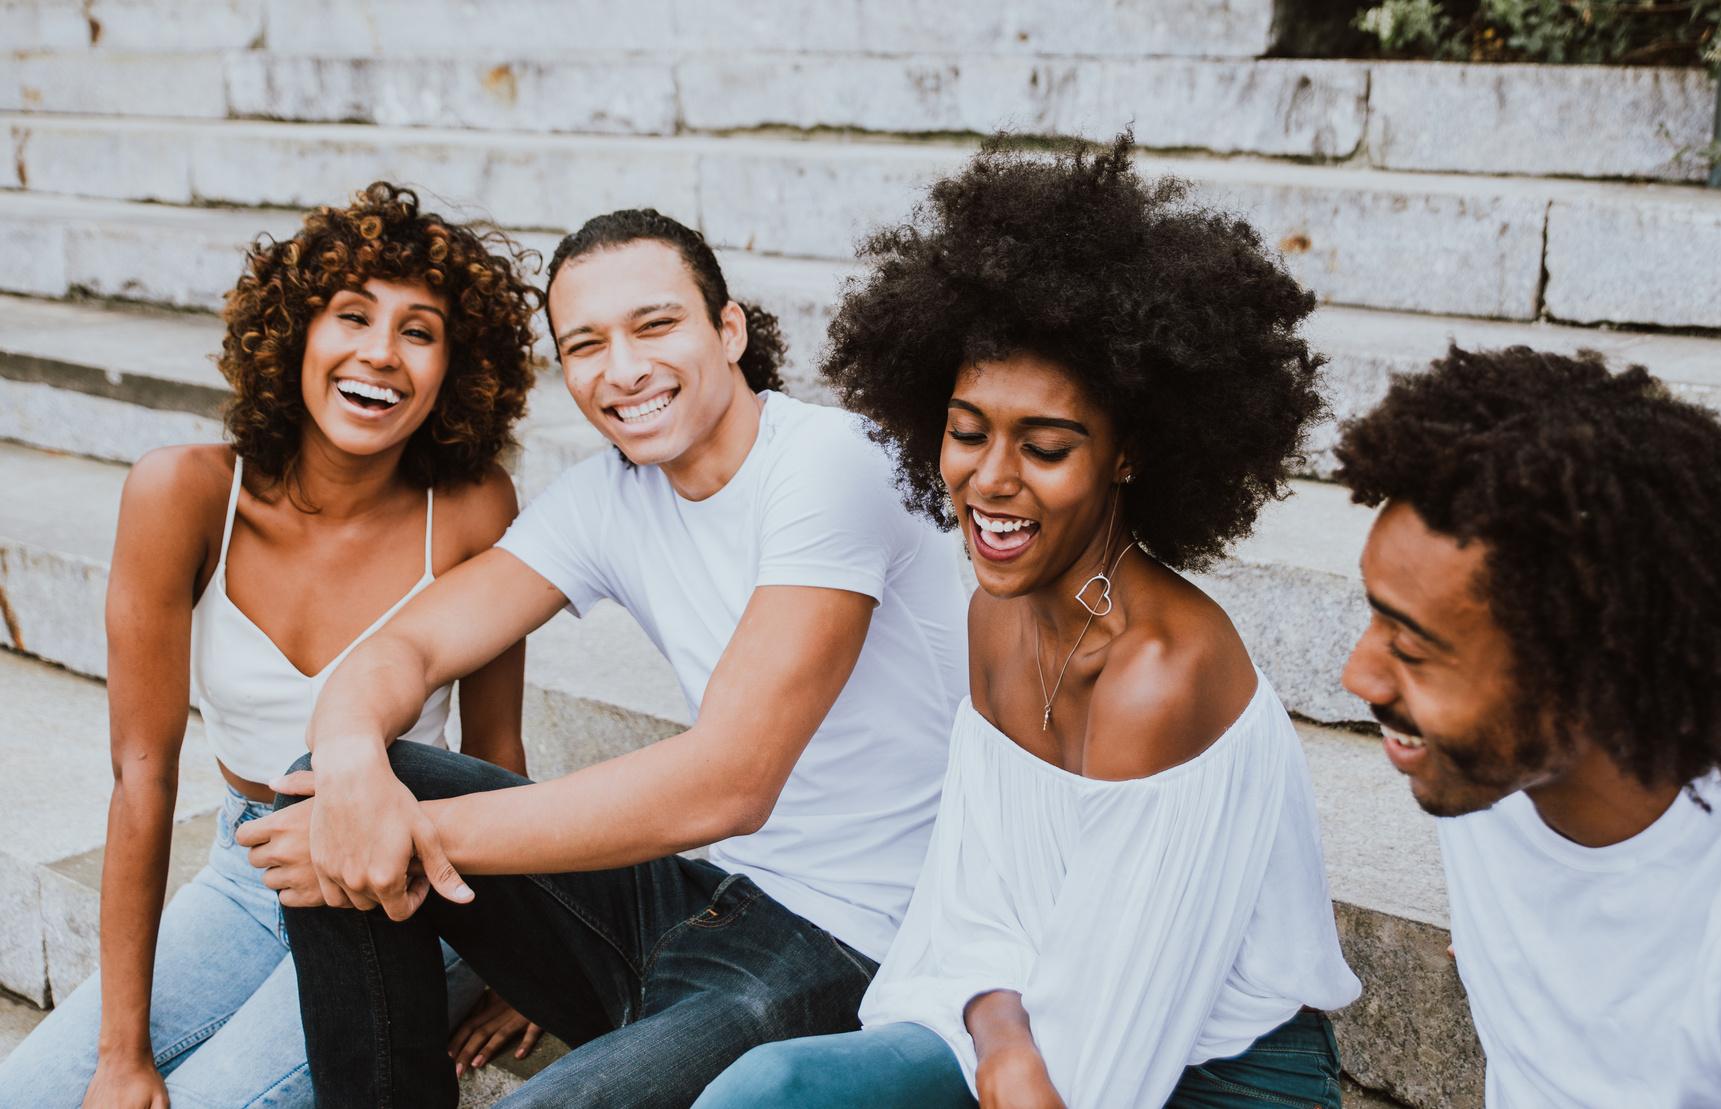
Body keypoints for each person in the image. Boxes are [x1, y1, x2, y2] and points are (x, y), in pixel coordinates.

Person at [234, 207, 970, 1107]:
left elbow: (731, 780)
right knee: (330, 789)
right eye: (586, 344)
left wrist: (409, 837)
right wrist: (352, 768)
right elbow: (407, 644)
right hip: (695, 896)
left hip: (848, 942)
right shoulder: (608, 496)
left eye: (654, 325)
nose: (622, 370)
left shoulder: (830, 463)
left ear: (728, 330)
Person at [697, 134, 1361, 1109]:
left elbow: (1100, 1065)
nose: (991, 478)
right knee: (773, 1086)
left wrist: (1006, 1040)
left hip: (1212, 1080)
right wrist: (998, 1025)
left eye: (1045, 447)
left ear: (1127, 454)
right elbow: (979, 899)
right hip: (1023, 1027)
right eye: (967, 432)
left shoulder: (1160, 672)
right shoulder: (995, 615)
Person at [0, 183, 541, 1107]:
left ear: (456, 369)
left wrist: (527, 962)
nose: (381, 352)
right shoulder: (183, 494)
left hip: (405, 882)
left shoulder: (471, 508)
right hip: (247, 873)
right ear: (294, 333)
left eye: (419, 331)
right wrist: (121, 1053)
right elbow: (141, 777)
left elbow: (495, 752)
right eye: (352, 316)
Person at [1334, 346, 1721, 1108]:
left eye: (1414, 648)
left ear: (1595, 677)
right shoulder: (1495, 783)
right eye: (1375, 617)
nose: (1358, 675)